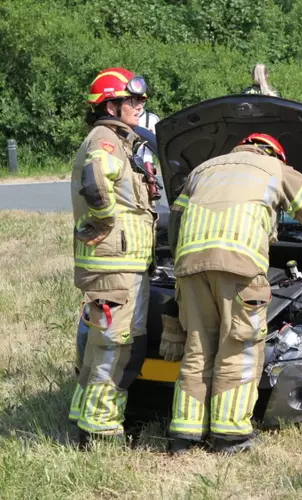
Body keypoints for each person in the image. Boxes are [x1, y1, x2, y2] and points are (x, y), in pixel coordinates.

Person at [163, 133, 302, 454]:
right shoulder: (273, 168)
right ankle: (229, 434)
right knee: (239, 346)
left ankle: (185, 433)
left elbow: (176, 223)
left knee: (198, 346)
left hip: (190, 266)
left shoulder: (203, 170)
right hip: (239, 266)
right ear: (275, 154)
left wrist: (185, 259)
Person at [68, 67, 157, 449]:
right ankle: (101, 431)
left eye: (139, 100)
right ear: (111, 104)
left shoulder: (120, 141)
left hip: (120, 266)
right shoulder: (105, 139)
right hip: (116, 265)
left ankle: (88, 420)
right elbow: (95, 184)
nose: (139, 106)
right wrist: (105, 222)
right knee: (118, 347)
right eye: (132, 100)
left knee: (104, 345)